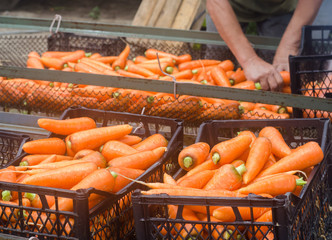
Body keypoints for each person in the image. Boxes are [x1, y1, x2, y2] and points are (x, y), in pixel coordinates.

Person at [206, 0, 323, 91]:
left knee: (280, 77)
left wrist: (289, 46)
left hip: (280, 8)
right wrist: (249, 60)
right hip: (227, 6)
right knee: (216, 71)